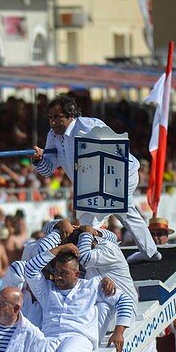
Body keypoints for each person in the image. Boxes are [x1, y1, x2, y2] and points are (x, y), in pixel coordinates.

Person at [32, 94, 159, 263]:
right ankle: (150, 253)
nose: (52, 122)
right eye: (50, 118)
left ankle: (96, 264)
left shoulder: (89, 126)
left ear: (71, 115)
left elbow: (114, 150)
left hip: (119, 175)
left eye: (57, 117)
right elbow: (48, 169)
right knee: (125, 213)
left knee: (89, 225)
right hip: (91, 186)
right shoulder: (53, 136)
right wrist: (39, 159)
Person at [23, 244, 135, 352]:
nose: (58, 277)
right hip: (50, 337)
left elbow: (124, 300)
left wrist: (118, 332)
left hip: (78, 338)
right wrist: (59, 249)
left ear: (76, 274)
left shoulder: (92, 286)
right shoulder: (46, 289)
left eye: (64, 273)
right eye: (56, 272)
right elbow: (30, 269)